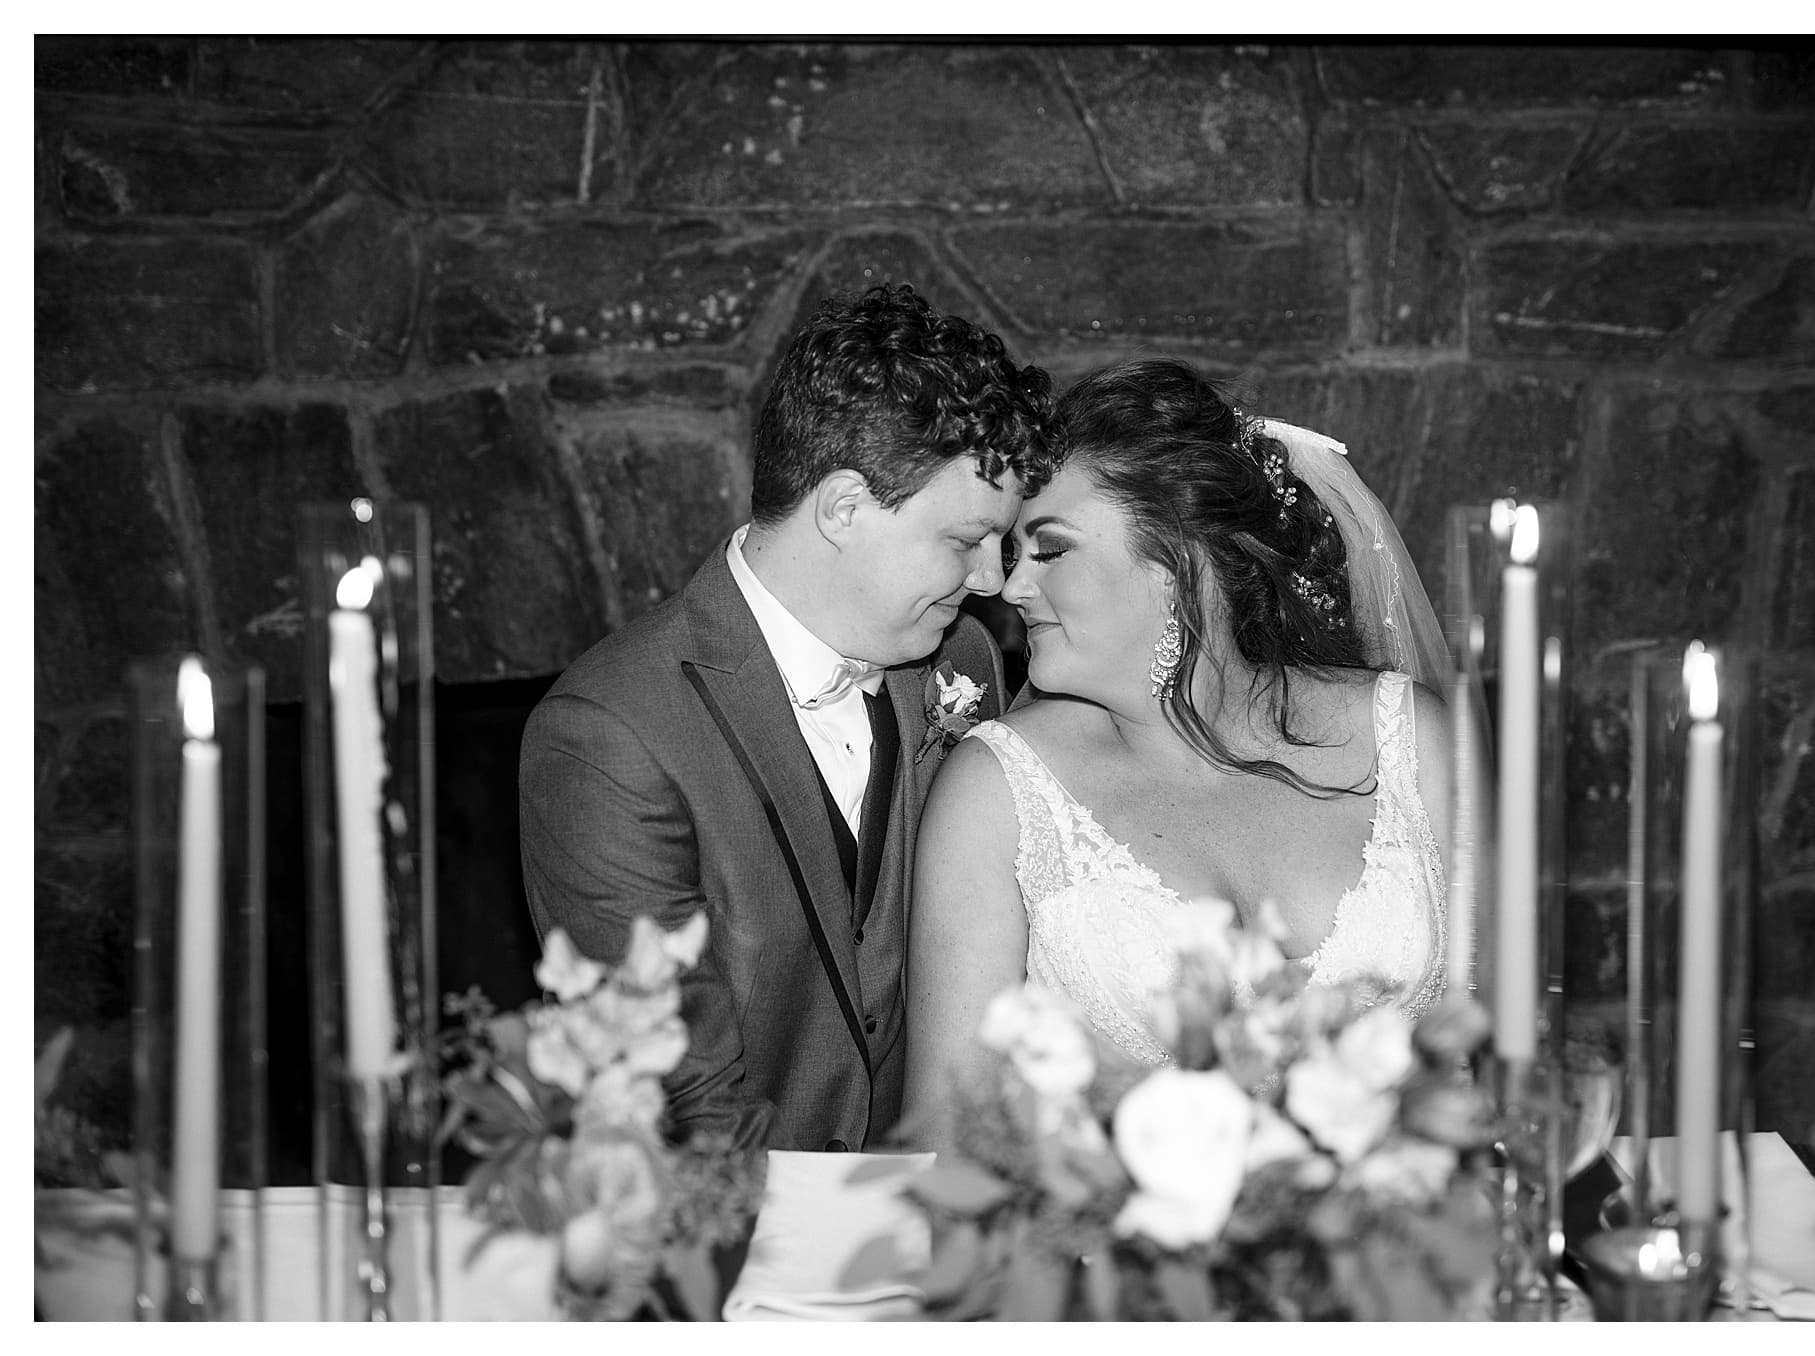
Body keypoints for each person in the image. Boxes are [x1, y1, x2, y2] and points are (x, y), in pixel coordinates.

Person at [519, 283, 1056, 1153]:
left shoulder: (962, 666)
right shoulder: (609, 735)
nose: (993, 582)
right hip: (733, 1243)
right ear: (843, 508)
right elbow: (678, 1103)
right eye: (964, 541)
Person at [903, 357, 1455, 1138]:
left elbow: (1497, 1052)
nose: (1008, 587)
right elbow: (946, 1131)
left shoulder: (1411, 740)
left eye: (1049, 550)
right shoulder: (997, 794)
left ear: (1174, 562)